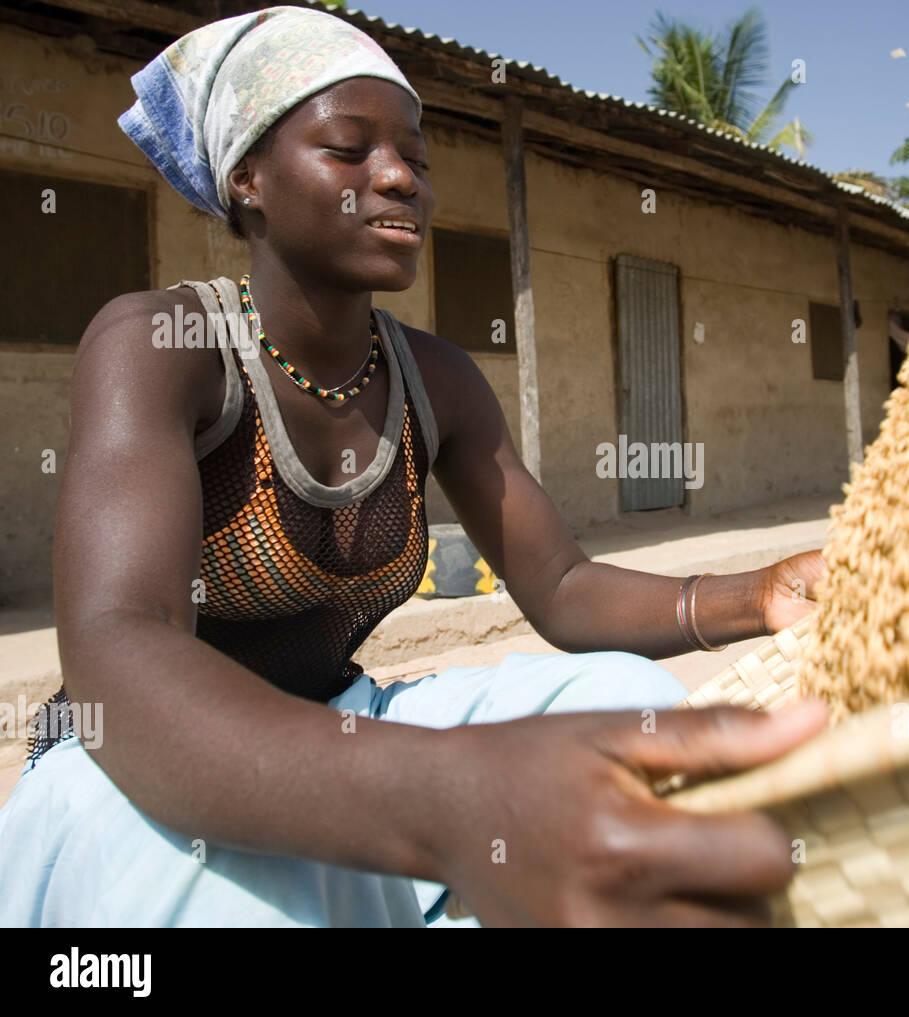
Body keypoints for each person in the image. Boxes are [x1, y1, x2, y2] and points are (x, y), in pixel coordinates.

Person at [0, 6, 830, 928]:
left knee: (627, 703)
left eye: (417, 159)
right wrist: (449, 795)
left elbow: (561, 584)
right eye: (350, 150)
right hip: (139, 764)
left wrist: (756, 594)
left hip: (345, 717)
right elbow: (121, 645)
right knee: (262, 894)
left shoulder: (437, 378)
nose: (400, 178)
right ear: (247, 181)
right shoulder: (164, 343)